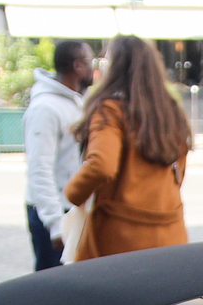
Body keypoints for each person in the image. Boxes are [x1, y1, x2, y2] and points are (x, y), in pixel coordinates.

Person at [62, 33, 189, 260]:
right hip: (171, 231)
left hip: (121, 237)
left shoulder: (111, 109)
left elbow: (102, 164)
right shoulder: (170, 110)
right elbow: (179, 170)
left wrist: (73, 192)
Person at [23, 38, 90, 270]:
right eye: (90, 61)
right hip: (53, 213)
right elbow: (39, 169)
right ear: (78, 66)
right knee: (51, 292)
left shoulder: (73, 101)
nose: (94, 68)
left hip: (69, 209)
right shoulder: (46, 108)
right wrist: (54, 224)